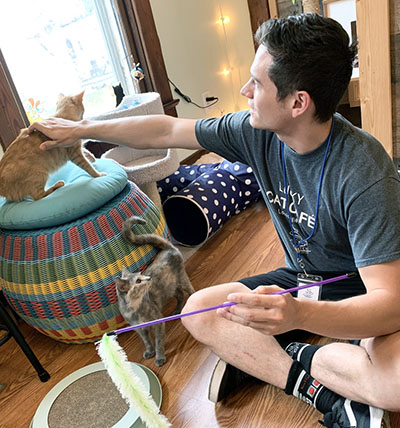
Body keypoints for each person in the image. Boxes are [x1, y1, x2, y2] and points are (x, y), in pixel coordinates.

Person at [28, 13, 400, 428]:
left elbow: (389, 305)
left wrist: (298, 318)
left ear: (298, 103)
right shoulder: (255, 131)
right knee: (198, 310)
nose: (244, 91)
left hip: (362, 289)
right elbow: (166, 130)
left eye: (257, 84)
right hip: (304, 281)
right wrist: (81, 127)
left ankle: (290, 355)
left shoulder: (365, 172)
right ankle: (323, 392)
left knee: (397, 384)